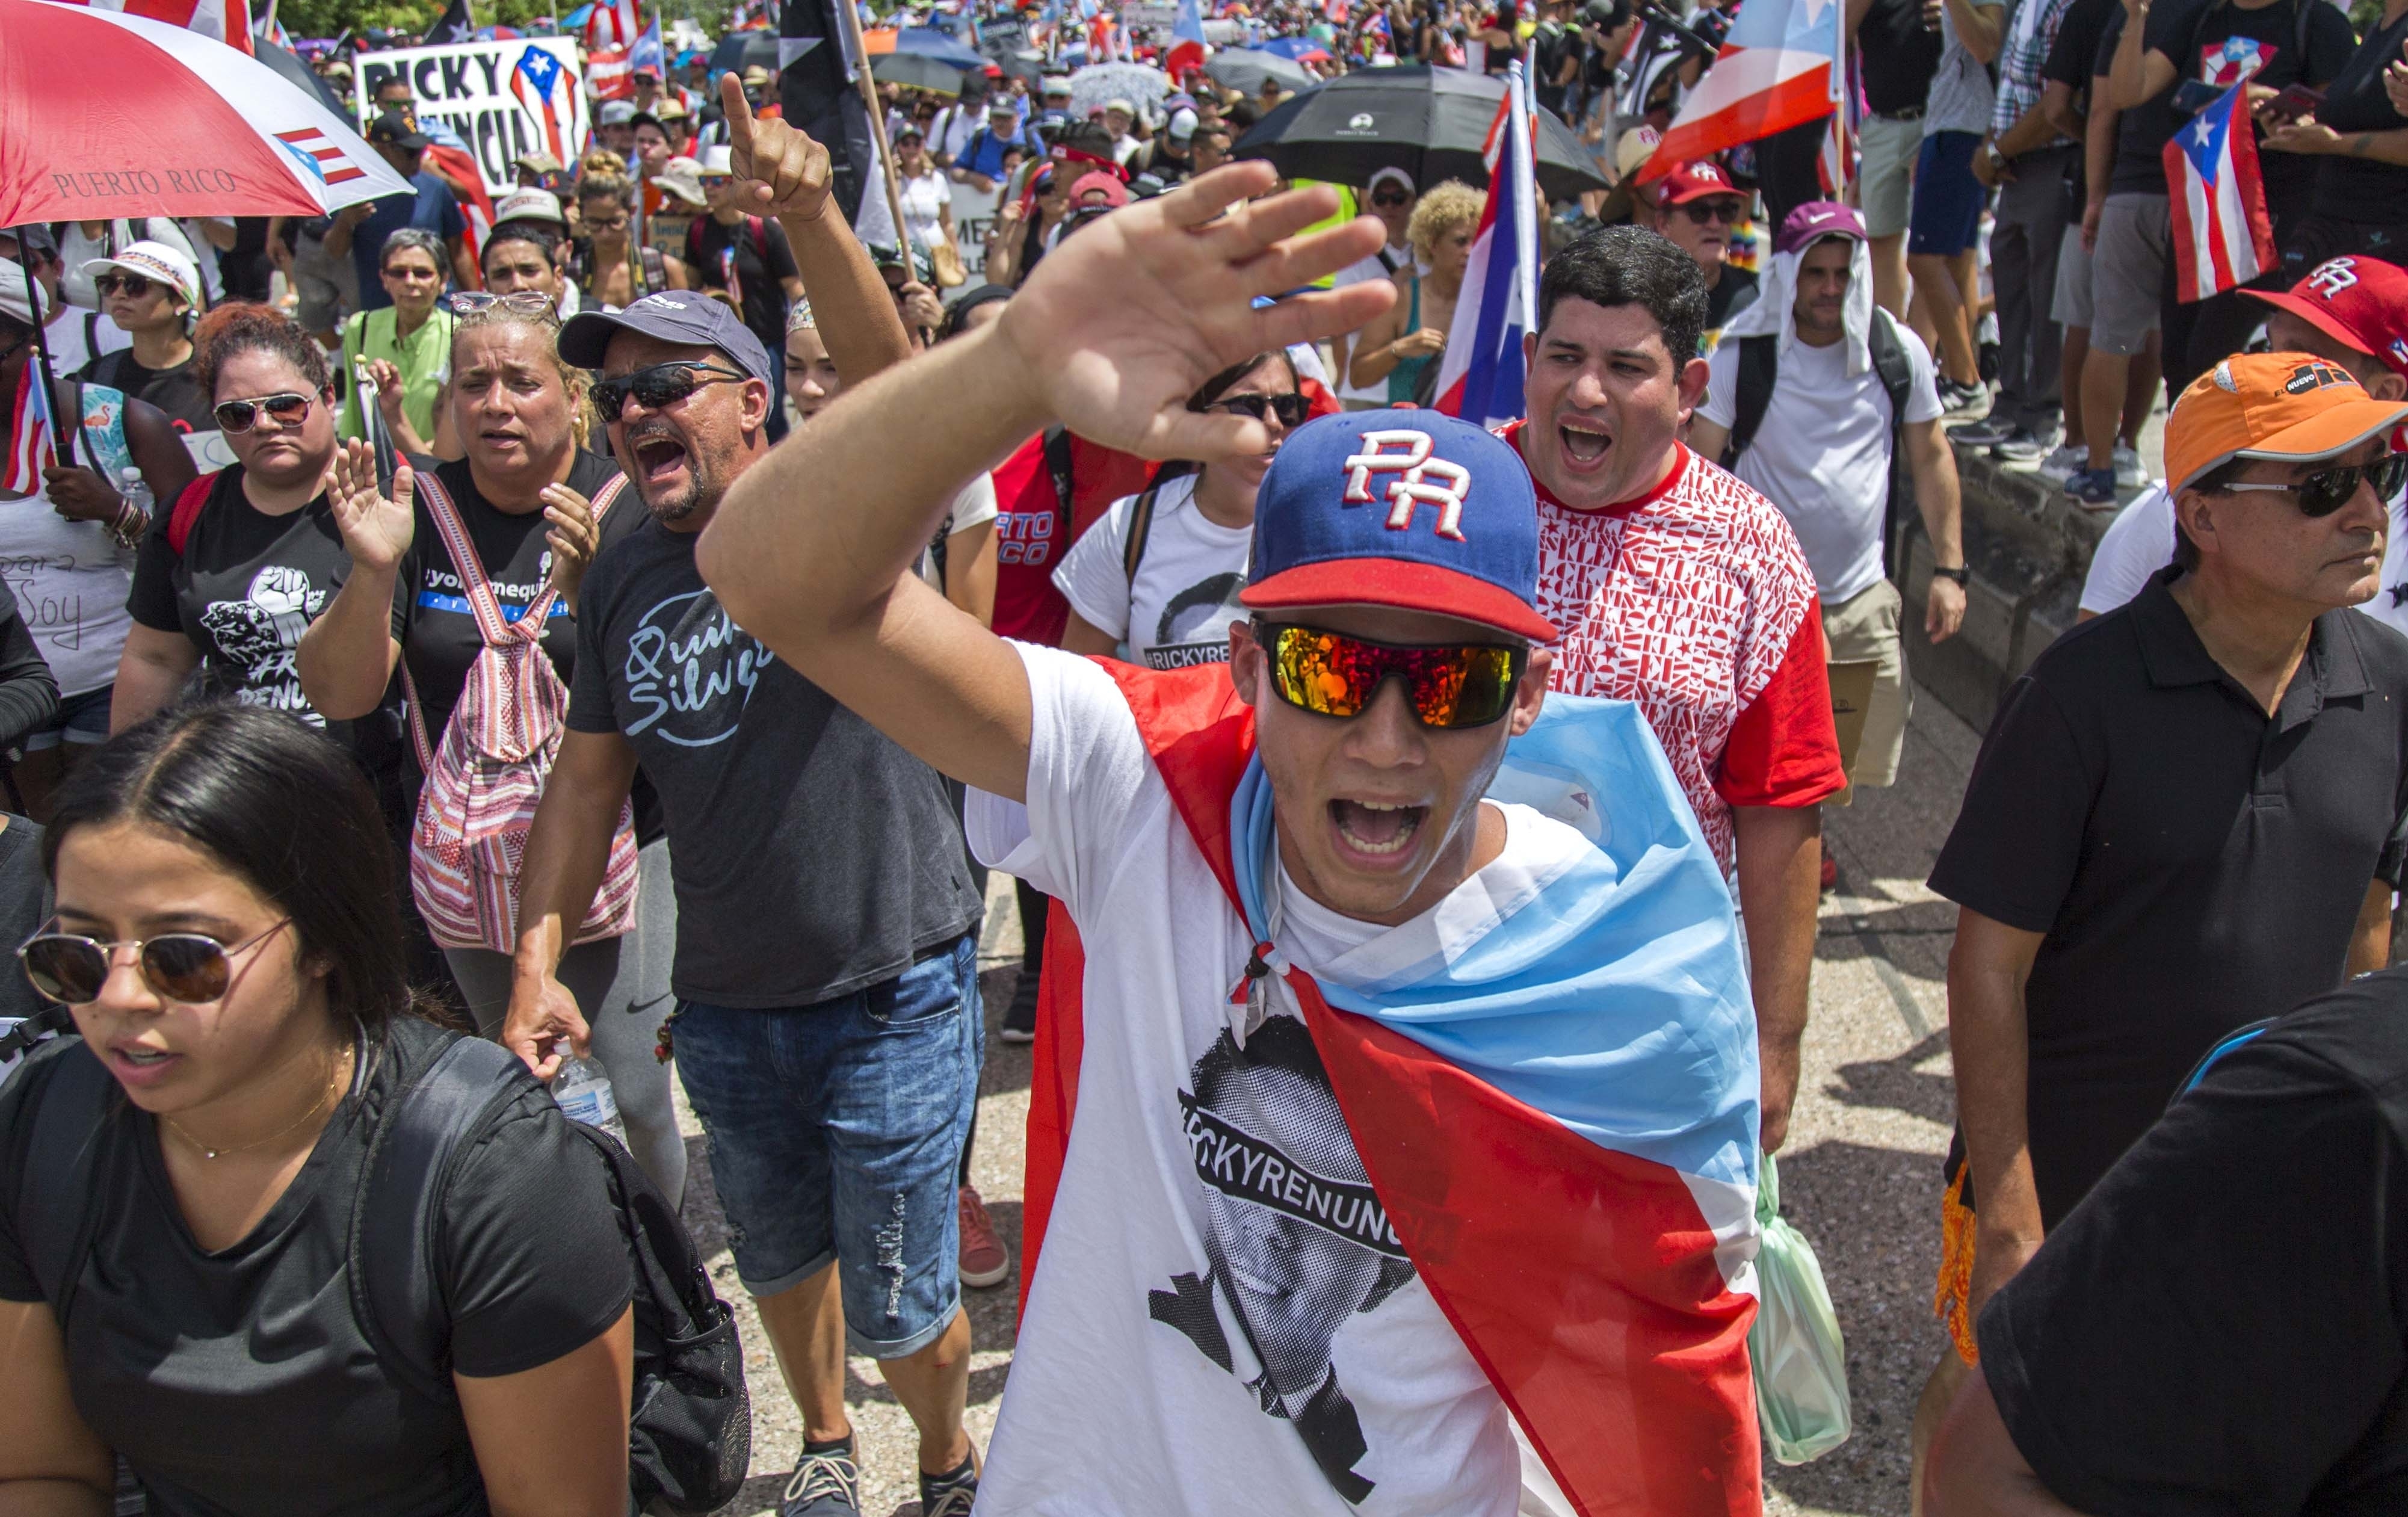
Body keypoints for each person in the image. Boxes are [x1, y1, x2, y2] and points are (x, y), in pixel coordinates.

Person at [690, 154, 1767, 1517]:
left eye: (1447, 682)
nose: (1384, 742)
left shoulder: (1624, 988)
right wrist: (1016, 359)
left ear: (1529, 699)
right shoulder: (1147, 788)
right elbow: (765, 572)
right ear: (1244, 664)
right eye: (1329, 668)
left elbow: (1668, 1380)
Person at [505, 83, 986, 1517]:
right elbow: (586, 782)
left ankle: (950, 1459)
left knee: (903, 1296)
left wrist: (805, 210)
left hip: (893, 974)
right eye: (619, 395)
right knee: (777, 1257)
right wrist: (538, 958)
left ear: (750, 405)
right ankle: (828, 1446)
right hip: (725, 1000)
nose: (638, 412)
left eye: (670, 387)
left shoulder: (832, 507)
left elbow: (901, 386)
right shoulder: (622, 575)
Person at [1917, 350, 2408, 1490]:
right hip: (2073, 1169)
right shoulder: (2078, 695)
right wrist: (2008, 1215)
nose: (2369, 511)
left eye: (2376, 471)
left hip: (2260, 1177)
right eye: (2320, 486)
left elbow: (2366, 940)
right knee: (1986, 1423)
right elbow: (1985, 970)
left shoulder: (2390, 687)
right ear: (2200, 514)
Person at [0, 700, 638, 1512]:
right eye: (77, 954)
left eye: (183, 957)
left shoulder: (491, 1171)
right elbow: (37, 1473)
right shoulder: (45, 1125)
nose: (121, 996)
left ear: (322, 940)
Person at [293, 294, 687, 1207]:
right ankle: (560, 1261)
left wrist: (591, 596)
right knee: (510, 1082)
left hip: (625, 846)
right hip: (468, 857)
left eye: (522, 381)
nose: (496, 403)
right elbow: (344, 693)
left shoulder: (634, 505)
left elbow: (668, 696)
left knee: (632, 1090)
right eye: (474, 383)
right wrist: (373, 570)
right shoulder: (412, 508)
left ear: (574, 395)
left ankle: (658, 1284)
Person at [1507, 224, 1845, 1155]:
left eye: (1625, 367)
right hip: (1445, 990)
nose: (1585, 391)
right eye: (1564, 357)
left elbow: (1781, 807)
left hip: (1648, 1015)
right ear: (1528, 360)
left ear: (1689, 388)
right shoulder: (1453, 502)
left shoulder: (1754, 553)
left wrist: (1775, 1048)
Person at [1927, 968, 2408, 1515]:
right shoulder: (2352, 1114)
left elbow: (2369, 921)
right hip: (2165, 1176)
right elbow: (1977, 1474)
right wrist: (2007, 1233)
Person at [1690, 203, 1968, 818]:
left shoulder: (1898, 353)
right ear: (1788, 274)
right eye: (1816, 273)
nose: (1830, 288)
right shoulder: (1742, 357)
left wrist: (1950, 569)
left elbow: (1931, 454)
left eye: (1844, 273)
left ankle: (1811, 854)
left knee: (1846, 763)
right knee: (1754, 754)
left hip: (1858, 597)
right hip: (1763, 606)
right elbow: (1699, 471)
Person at [113, 304, 395, 739]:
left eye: (285, 406)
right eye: (238, 414)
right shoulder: (189, 513)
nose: (264, 425)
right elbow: (156, 659)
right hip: (235, 780)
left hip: (369, 782)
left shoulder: (392, 500)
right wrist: (127, 783)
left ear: (328, 398)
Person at [2080, 253, 2408, 625]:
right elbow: (2088, 666)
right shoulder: (2180, 501)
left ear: (2385, 393)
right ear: (2200, 519)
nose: (2269, 366)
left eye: (2304, 359)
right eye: (2271, 346)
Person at [1056, 351, 1301, 669]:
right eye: (1248, 406)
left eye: (1286, 406)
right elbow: (1079, 681)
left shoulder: (1319, 527)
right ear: (1196, 416)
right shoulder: (1129, 527)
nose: (1273, 422)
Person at [1953, 0, 2079, 462]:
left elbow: (2057, 106)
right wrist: (1993, 145)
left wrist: (1997, 150)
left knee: (2046, 295)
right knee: (2011, 285)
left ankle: (2042, 416)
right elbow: (2008, 86)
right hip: (2014, 165)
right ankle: (2010, 404)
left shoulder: (2066, 7)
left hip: (2050, 159)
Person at [1909, 0, 2006, 416]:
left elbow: (1986, 44)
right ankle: (1961, 376)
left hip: (1963, 129)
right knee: (1957, 260)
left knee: (1924, 259)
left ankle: (1965, 379)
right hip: (1948, 126)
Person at [2271, 0, 2408, 273]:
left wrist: (2334, 143)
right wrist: (2295, 126)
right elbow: (2346, 118)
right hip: (2331, 226)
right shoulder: (2378, 30)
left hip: (2381, 234)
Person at [690, 146, 804, 437]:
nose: (709, 190)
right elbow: (691, 285)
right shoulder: (699, 230)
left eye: (717, 182)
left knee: (771, 417)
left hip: (766, 340)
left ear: (735, 183)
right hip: (721, 342)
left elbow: (794, 289)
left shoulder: (765, 230)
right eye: (705, 182)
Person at [78, 240, 222, 469]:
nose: (119, 295)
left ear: (181, 301)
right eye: (108, 284)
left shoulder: (221, 373)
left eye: (136, 285)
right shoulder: (96, 378)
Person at [1347, 179, 1481, 404]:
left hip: (1463, 434)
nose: (1470, 251)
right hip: (1408, 434)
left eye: (1477, 242)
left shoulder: (1488, 304)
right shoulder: (1401, 299)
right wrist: (1399, 349)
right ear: (1433, 244)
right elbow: (1358, 377)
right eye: (1460, 242)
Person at [330, 114, 474, 315]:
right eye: (410, 152)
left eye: (421, 150)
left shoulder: (436, 188)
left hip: (435, 310)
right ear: (382, 150)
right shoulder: (357, 193)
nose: (418, 158)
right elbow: (334, 252)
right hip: (381, 313)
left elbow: (458, 252)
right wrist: (345, 222)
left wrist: (473, 306)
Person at [337, 228, 460, 456]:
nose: (410, 282)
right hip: (377, 469)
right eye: (399, 273)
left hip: (437, 467)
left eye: (422, 273)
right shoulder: (361, 328)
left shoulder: (460, 334)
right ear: (384, 279)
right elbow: (354, 412)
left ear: (443, 280)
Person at [1639, 161, 1758, 352]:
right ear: (1664, 224)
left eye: (1725, 212)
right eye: (1700, 212)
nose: (1715, 224)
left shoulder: (1757, 297)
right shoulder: (1635, 299)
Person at [1332, 169, 1419, 412]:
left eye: (1398, 198)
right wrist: (1392, 288)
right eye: (1381, 199)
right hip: (1367, 390)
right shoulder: (1354, 258)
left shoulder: (1429, 256)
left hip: (1416, 388)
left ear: (1413, 202)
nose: (1390, 206)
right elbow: (1339, 324)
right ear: (1371, 205)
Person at [894, 125, 956, 261]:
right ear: (897, 147)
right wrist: (893, 179)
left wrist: (957, 260)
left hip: (935, 253)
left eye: (917, 144)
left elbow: (947, 223)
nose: (912, 149)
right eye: (906, 143)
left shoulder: (936, 179)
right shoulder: (888, 179)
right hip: (903, 255)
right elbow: (887, 215)